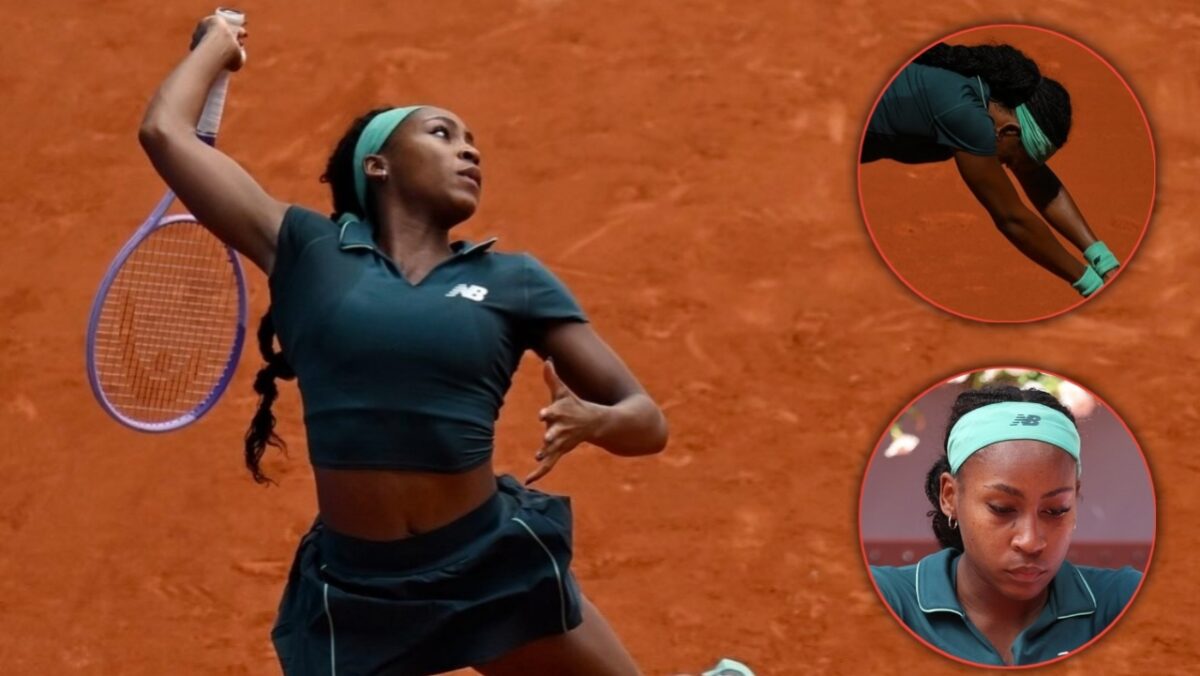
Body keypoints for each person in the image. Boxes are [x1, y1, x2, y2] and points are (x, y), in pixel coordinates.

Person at [137, 13, 758, 676]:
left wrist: (598, 419)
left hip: (485, 566)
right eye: (442, 134)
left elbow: (648, 421)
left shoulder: (513, 281)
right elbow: (163, 131)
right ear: (377, 165)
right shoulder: (307, 249)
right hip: (357, 592)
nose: (469, 151)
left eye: (473, 143)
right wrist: (215, 49)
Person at [870, 386, 1142, 666]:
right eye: (1001, 508)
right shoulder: (884, 599)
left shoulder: (1123, 600)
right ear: (949, 496)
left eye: (1055, 510)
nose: (1031, 541)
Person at [861, 42, 1121, 299]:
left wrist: (1103, 261)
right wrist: (1090, 285)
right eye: (1013, 163)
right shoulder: (968, 118)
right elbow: (1012, 219)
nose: (1010, 169)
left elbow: (1038, 180)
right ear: (1009, 131)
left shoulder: (981, 95)